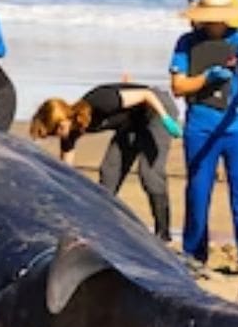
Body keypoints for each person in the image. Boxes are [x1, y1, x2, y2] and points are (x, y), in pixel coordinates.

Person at [169, 0, 238, 275]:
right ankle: (194, 253)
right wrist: (207, 79)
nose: (215, 23)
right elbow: (178, 86)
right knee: (199, 190)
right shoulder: (186, 44)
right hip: (201, 127)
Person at [29, 84, 183, 240]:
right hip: (131, 123)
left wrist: (166, 119)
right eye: (54, 134)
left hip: (156, 109)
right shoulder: (69, 131)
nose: (59, 136)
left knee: (149, 173)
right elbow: (67, 172)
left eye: (57, 130)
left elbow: (146, 95)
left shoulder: (99, 101)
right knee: (109, 172)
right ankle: (102, 228)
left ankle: (163, 235)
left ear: (64, 118)